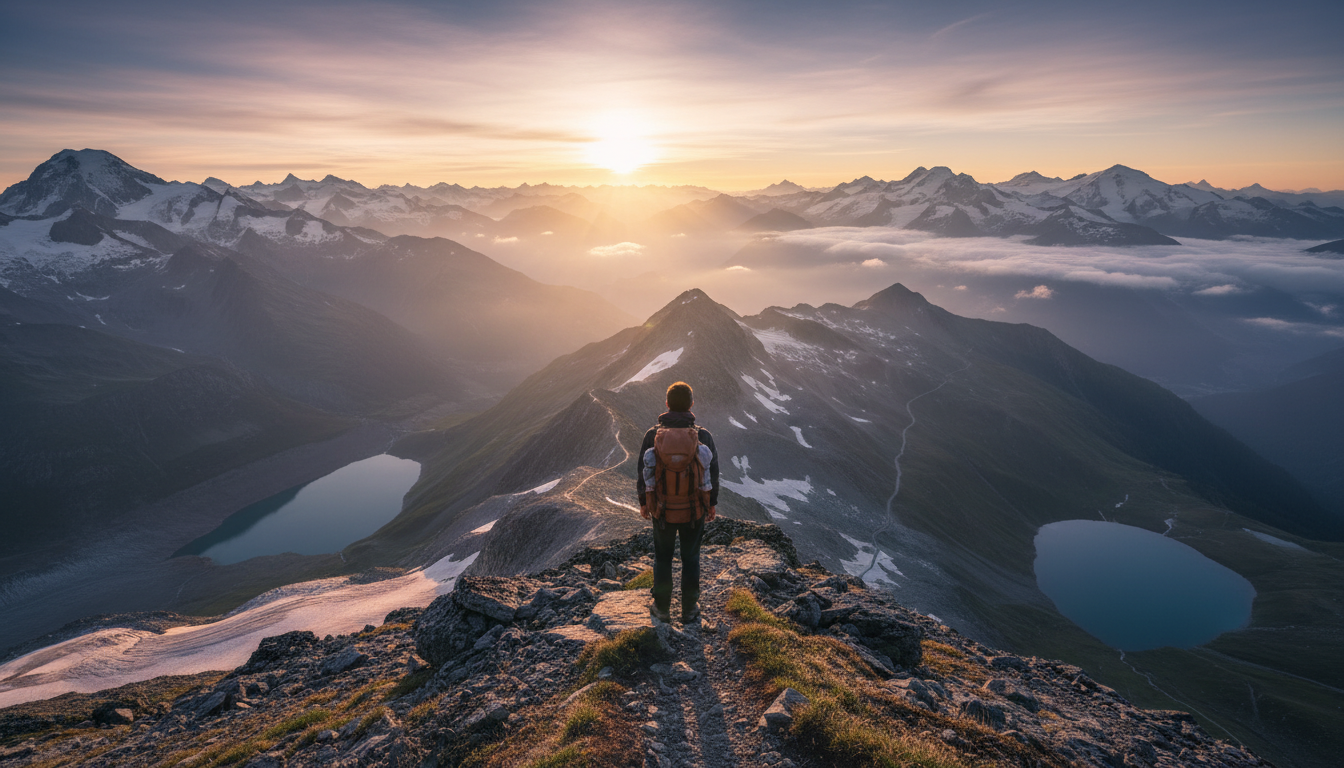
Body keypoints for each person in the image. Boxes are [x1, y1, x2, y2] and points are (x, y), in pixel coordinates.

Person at [637, 381, 719, 623]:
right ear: (691, 404)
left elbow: (643, 470)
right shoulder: (703, 436)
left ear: (666, 404)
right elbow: (712, 472)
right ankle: (689, 609)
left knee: (662, 557)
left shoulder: (653, 436)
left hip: (662, 511)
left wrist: (644, 502)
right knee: (690, 557)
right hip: (694, 510)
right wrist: (711, 504)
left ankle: (661, 608)